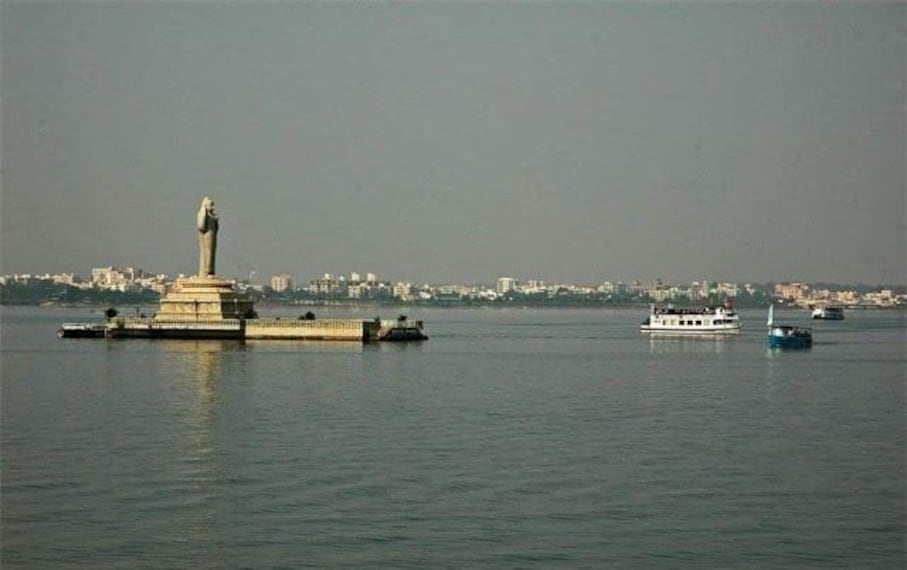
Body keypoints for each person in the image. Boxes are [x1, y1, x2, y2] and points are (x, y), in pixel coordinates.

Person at [197, 197, 219, 277]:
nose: (213, 207)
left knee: (211, 254)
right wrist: (203, 212)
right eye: (211, 205)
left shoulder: (213, 216)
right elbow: (201, 226)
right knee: (207, 254)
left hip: (213, 236)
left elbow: (217, 228)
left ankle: (211, 271)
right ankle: (206, 272)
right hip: (206, 236)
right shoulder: (203, 214)